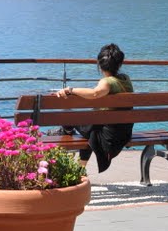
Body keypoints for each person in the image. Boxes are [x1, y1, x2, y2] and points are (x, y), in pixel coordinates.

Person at [55, 43, 134, 172]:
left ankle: (66, 136)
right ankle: (80, 169)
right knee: (92, 131)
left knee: (68, 116)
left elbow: (95, 93)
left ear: (100, 65)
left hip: (108, 136)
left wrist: (71, 90)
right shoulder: (126, 78)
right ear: (119, 64)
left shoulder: (107, 82)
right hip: (124, 132)